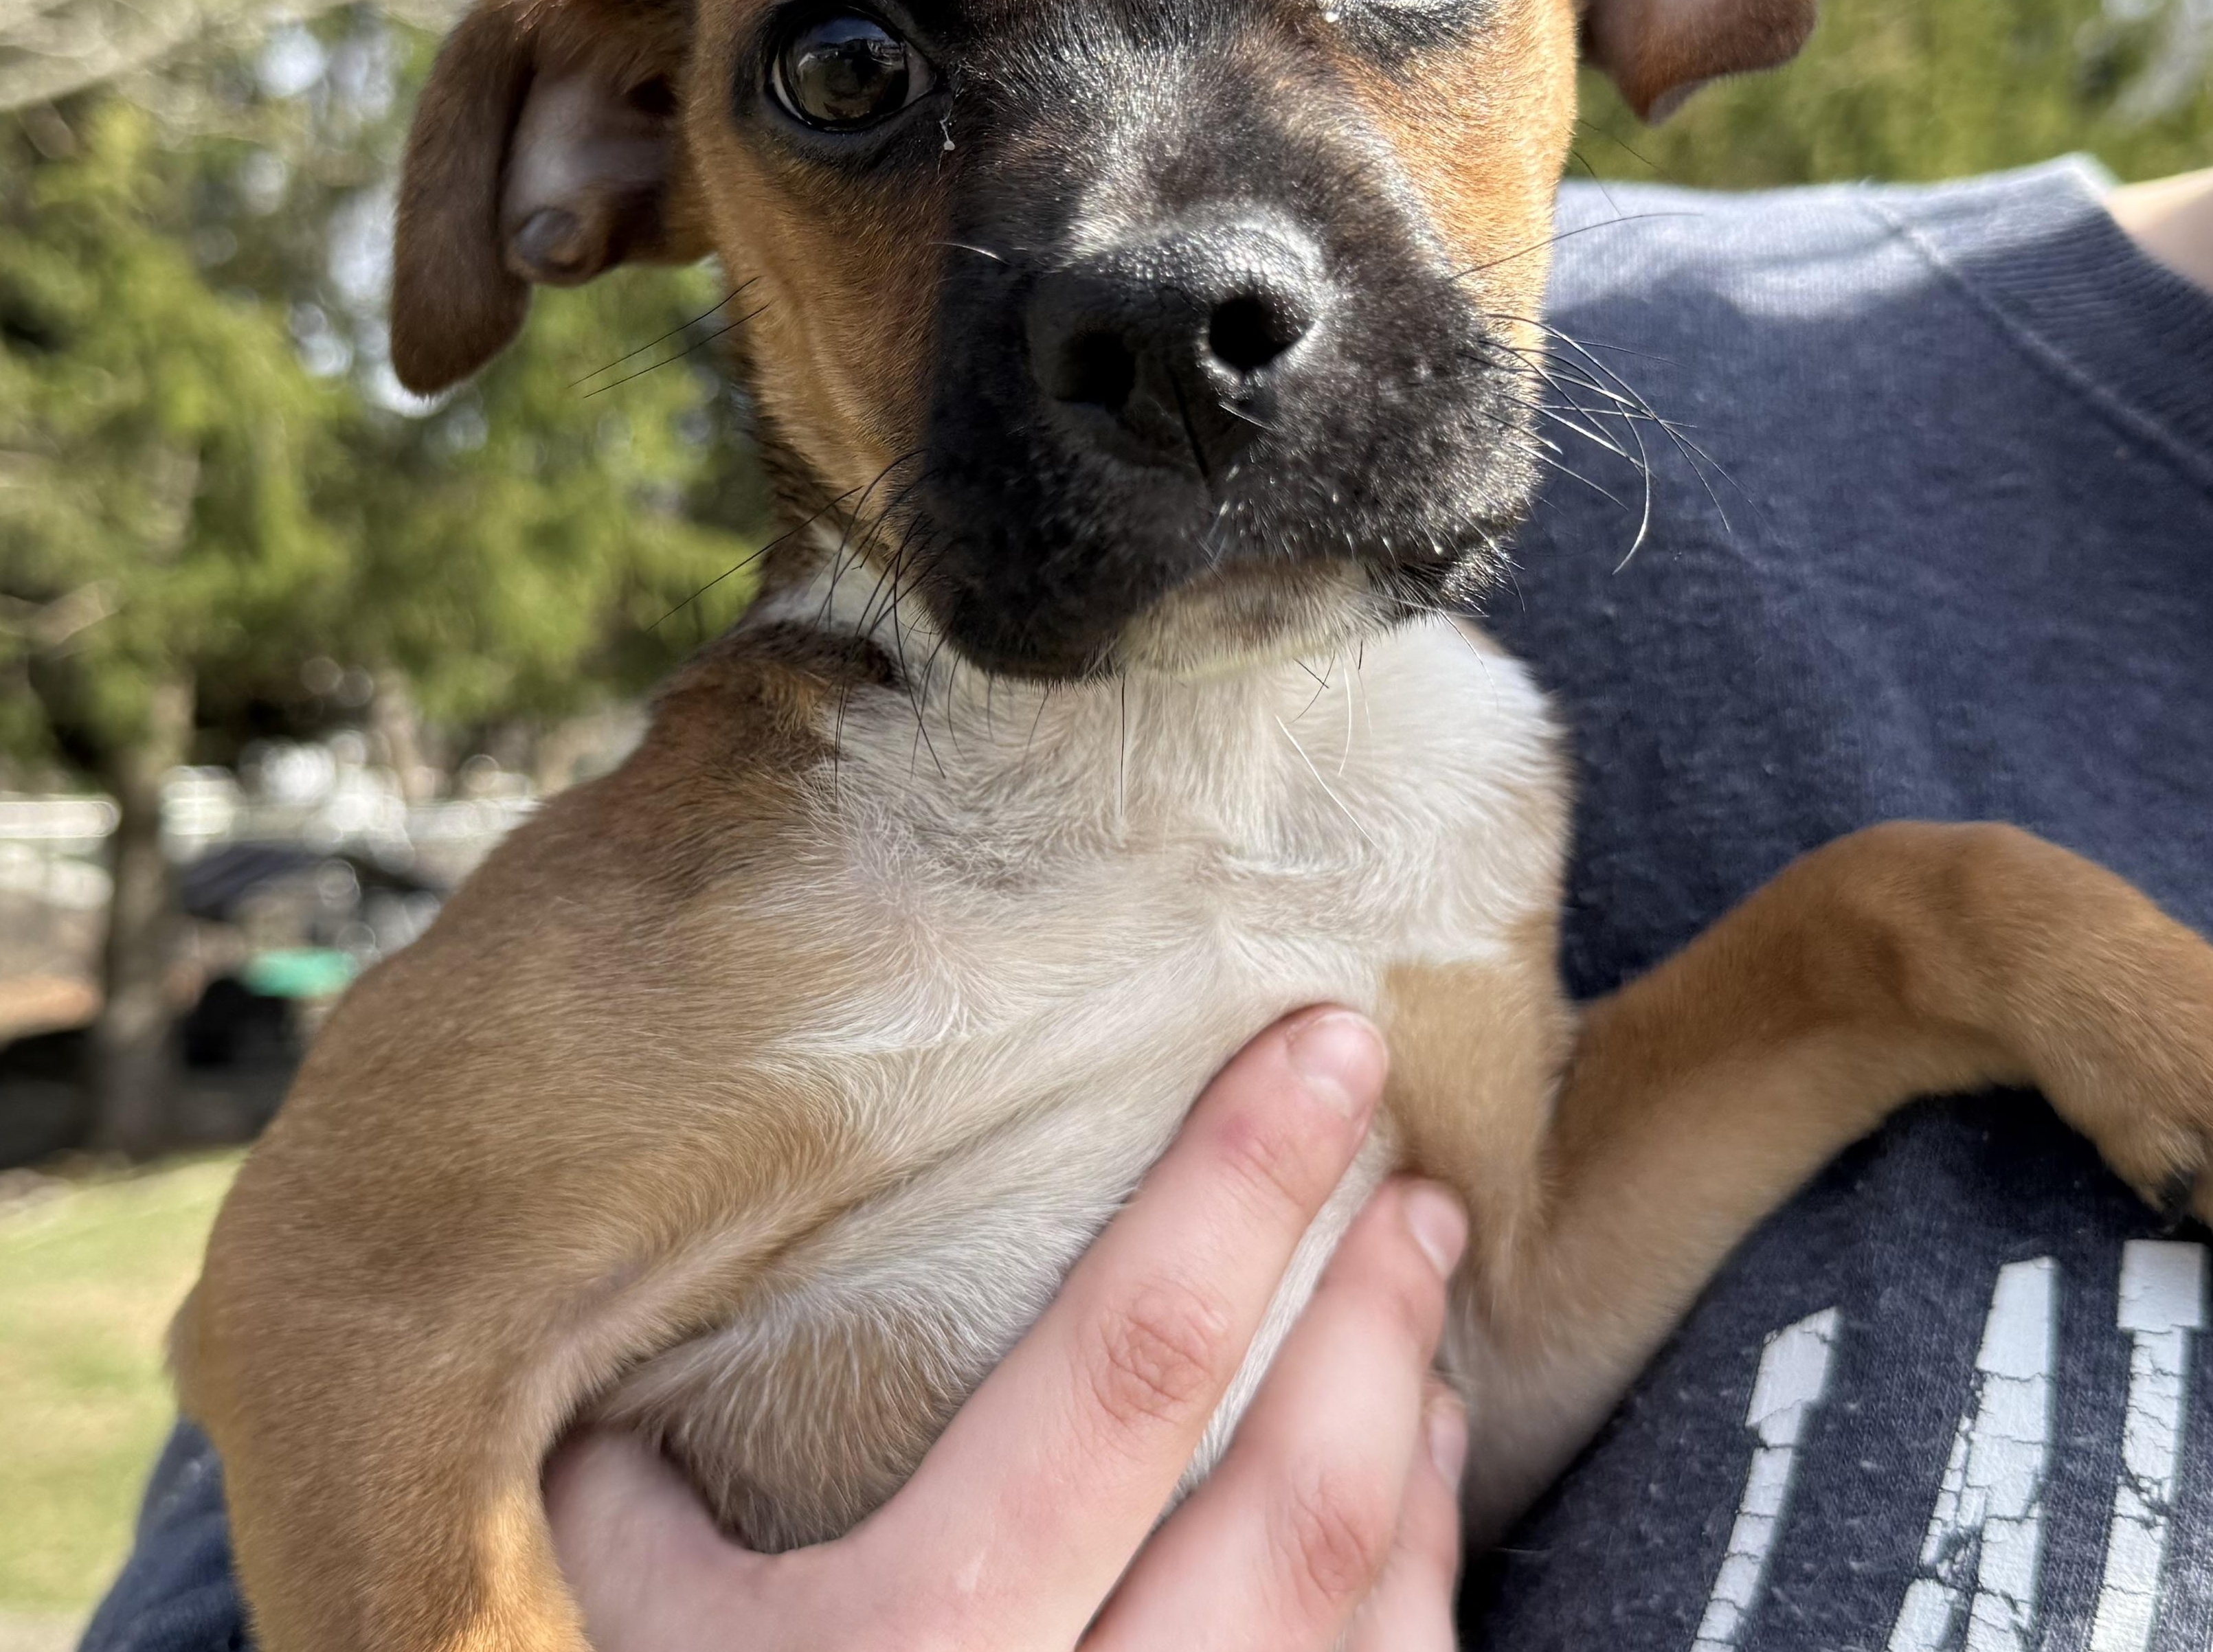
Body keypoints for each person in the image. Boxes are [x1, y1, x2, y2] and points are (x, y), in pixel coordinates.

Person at [82, 157, 2213, 1652]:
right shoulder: (741, 869)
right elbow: (328, 1311)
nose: (1174, 246)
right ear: (633, 149)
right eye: (855, 68)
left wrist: (1943, 941)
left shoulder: (1459, 777)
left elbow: (1503, 1287)